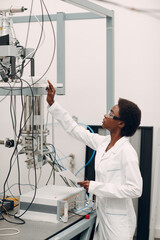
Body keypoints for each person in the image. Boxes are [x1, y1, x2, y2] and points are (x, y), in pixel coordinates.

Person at [46, 80, 142, 240]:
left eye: (111, 114)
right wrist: (53, 104)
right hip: (103, 216)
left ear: (121, 123)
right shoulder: (103, 142)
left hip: (118, 222)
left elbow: (135, 189)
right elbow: (74, 129)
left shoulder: (127, 151)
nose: (105, 115)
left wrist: (95, 186)